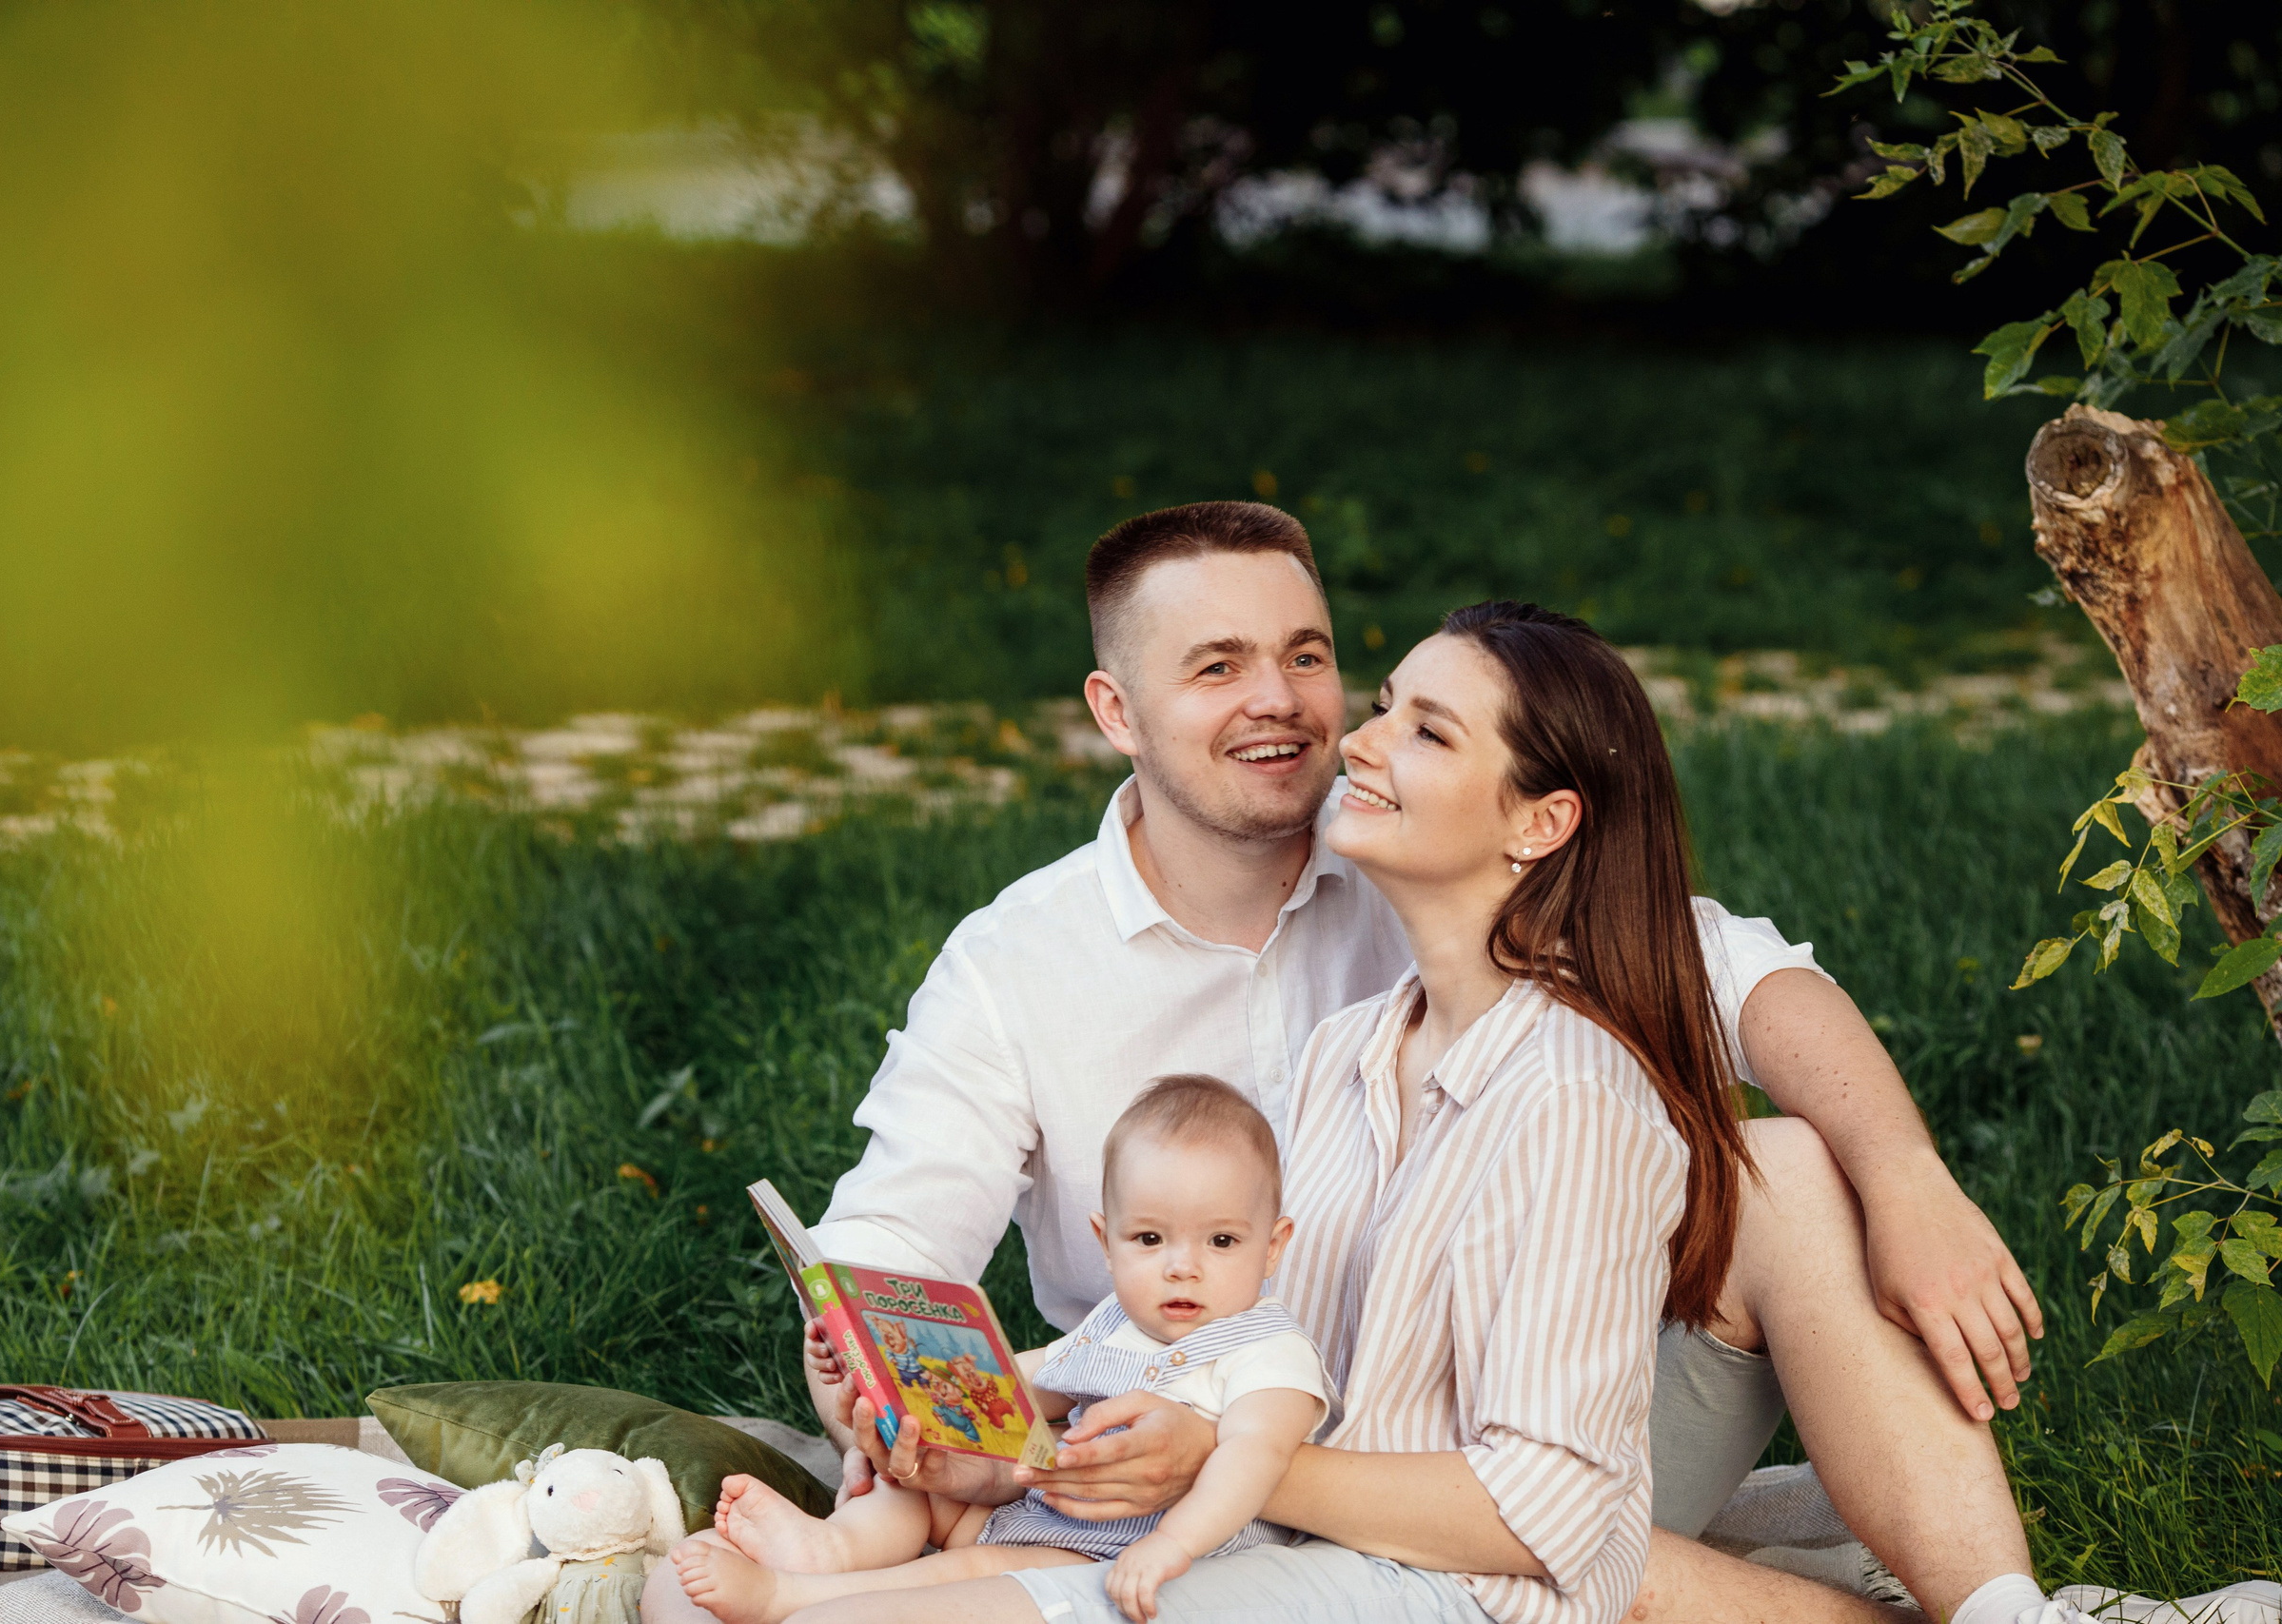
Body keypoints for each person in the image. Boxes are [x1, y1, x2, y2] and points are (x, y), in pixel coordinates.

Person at [641, 502, 2052, 1624]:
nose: (1291, 706)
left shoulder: (1430, 850)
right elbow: (897, 1231)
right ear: (1114, 711)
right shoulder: (1029, 962)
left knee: (1792, 1162)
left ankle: (2002, 1609)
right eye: (1217, 665)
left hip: (1481, 1426)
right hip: (1223, 1418)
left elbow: (1750, 979)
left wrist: (1914, 1178)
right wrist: (881, 1372)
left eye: (1308, 654)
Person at [665, 1075, 1329, 1624]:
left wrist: (1171, 1544)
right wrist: (879, 1367)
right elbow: (1013, 1382)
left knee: (969, 1569)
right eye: (1151, 1239)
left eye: (1221, 1241)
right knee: (917, 1477)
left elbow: (1257, 1458)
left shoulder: (1266, 1348)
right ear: (1107, 1240)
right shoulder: (1112, 1324)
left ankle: (791, 1597)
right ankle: (827, 1546)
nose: (1182, 1267)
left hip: (1117, 1549)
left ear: (1273, 1244)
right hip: (1028, 1501)